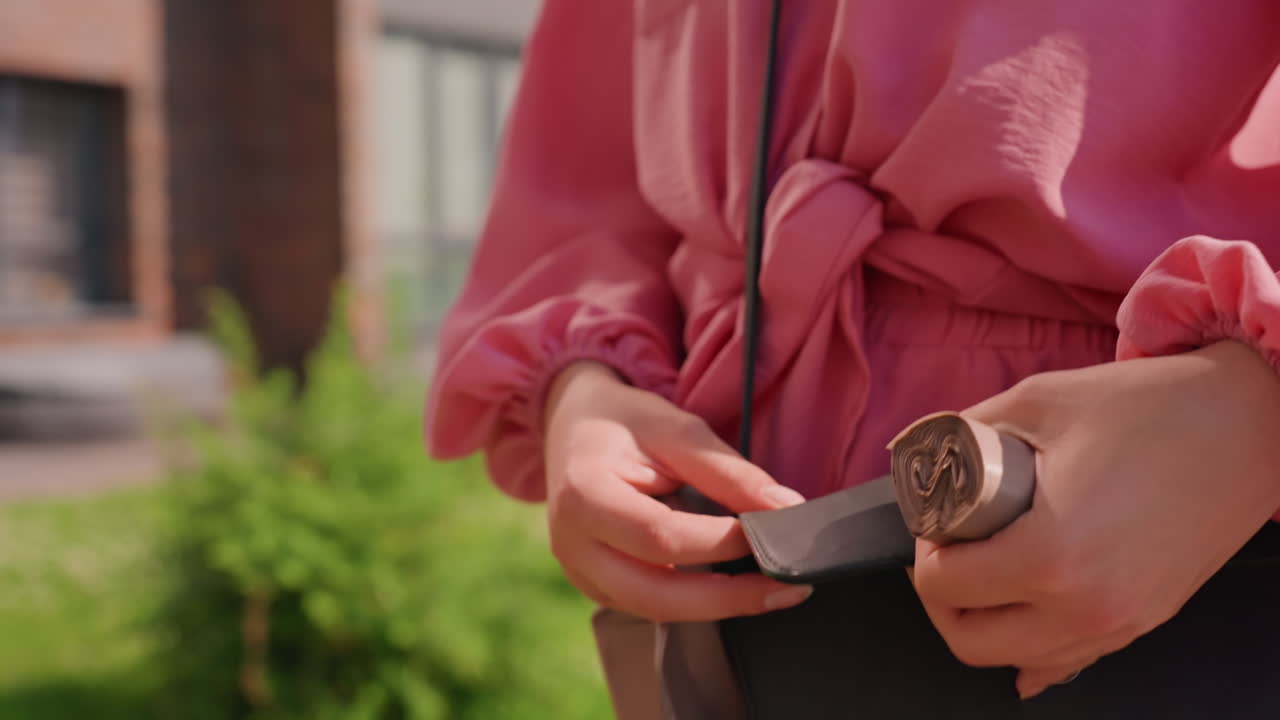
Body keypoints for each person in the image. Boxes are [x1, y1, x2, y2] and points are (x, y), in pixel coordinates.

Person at [426, 1, 1280, 716]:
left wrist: (1251, 414)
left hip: (1164, 521)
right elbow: (592, 157)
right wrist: (587, 382)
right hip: (735, 538)